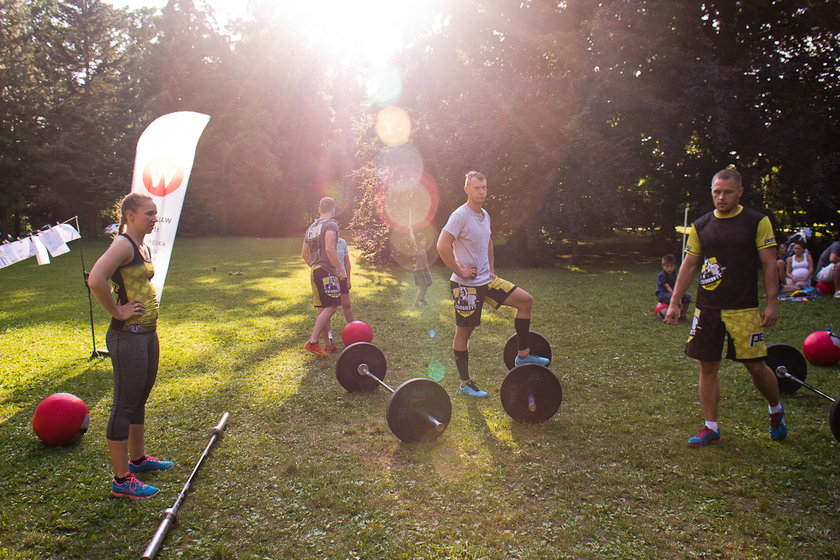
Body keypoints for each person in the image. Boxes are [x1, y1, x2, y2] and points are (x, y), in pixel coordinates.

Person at [664, 168, 787, 446]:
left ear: (739, 192)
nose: (721, 197)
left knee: (755, 367)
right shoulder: (701, 225)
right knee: (707, 367)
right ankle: (711, 427)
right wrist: (674, 303)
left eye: (727, 192)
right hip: (708, 308)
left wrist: (771, 303)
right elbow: (690, 265)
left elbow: (769, 264)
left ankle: (776, 410)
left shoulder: (757, 221)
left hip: (742, 308)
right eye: (717, 192)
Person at [87, 193, 173, 499]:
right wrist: (117, 311)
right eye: (149, 213)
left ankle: (137, 460)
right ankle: (121, 480)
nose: (154, 219)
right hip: (128, 335)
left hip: (147, 332)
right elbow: (96, 279)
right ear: (130, 214)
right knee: (125, 403)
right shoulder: (123, 244)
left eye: (155, 214)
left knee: (139, 398)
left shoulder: (142, 246)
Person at [436, 171, 549, 398]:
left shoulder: (484, 215)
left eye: (484, 188)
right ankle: (465, 383)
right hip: (466, 286)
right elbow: (442, 244)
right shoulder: (460, 215)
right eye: (477, 188)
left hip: (487, 280)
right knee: (464, 333)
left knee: (525, 301)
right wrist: (459, 270)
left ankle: (523, 355)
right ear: (467, 189)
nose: (482, 192)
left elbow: (487, 241)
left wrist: (491, 266)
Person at [301, 197, 345, 357]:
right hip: (327, 271)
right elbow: (329, 249)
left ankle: (328, 344)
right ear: (333, 210)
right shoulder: (331, 224)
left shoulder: (311, 228)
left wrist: (315, 267)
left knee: (322, 308)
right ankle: (313, 341)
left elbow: (304, 254)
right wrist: (340, 270)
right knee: (331, 306)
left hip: (314, 270)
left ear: (319, 209)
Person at [321, 236, 353, 352]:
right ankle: (329, 339)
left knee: (346, 304)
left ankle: (353, 331)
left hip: (342, 276)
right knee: (329, 308)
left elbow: (347, 262)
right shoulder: (324, 242)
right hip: (329, 278)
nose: (336, 232)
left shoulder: (342, 242)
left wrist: (348, 278)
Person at [655, 253, 691, 320]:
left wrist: (680, 294)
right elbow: (667, 287)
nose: (669, 268)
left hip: (674, 292)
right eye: (667, 266)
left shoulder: (676, 274)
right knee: (672, 298)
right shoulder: (661, 275)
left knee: (687, 296)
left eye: (671, 266)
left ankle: (683, 315)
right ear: (663, 266)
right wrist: (676, 297)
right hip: (663, 294)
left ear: (675, 266)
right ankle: (670, 315)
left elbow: (678, 285)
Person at [409, 226, 432, 307]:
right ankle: (415, 303)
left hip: (424, 270)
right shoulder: (417, 249)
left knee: (426, 285)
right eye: (423, 240)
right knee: (421, 287)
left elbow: (425, 263)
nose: (425, 242)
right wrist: (411, 231)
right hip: (419, 271)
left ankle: (422, 298)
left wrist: (428, 270)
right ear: (418, 242)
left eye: (425, 240)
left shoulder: (423, 250)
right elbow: (413, 241)